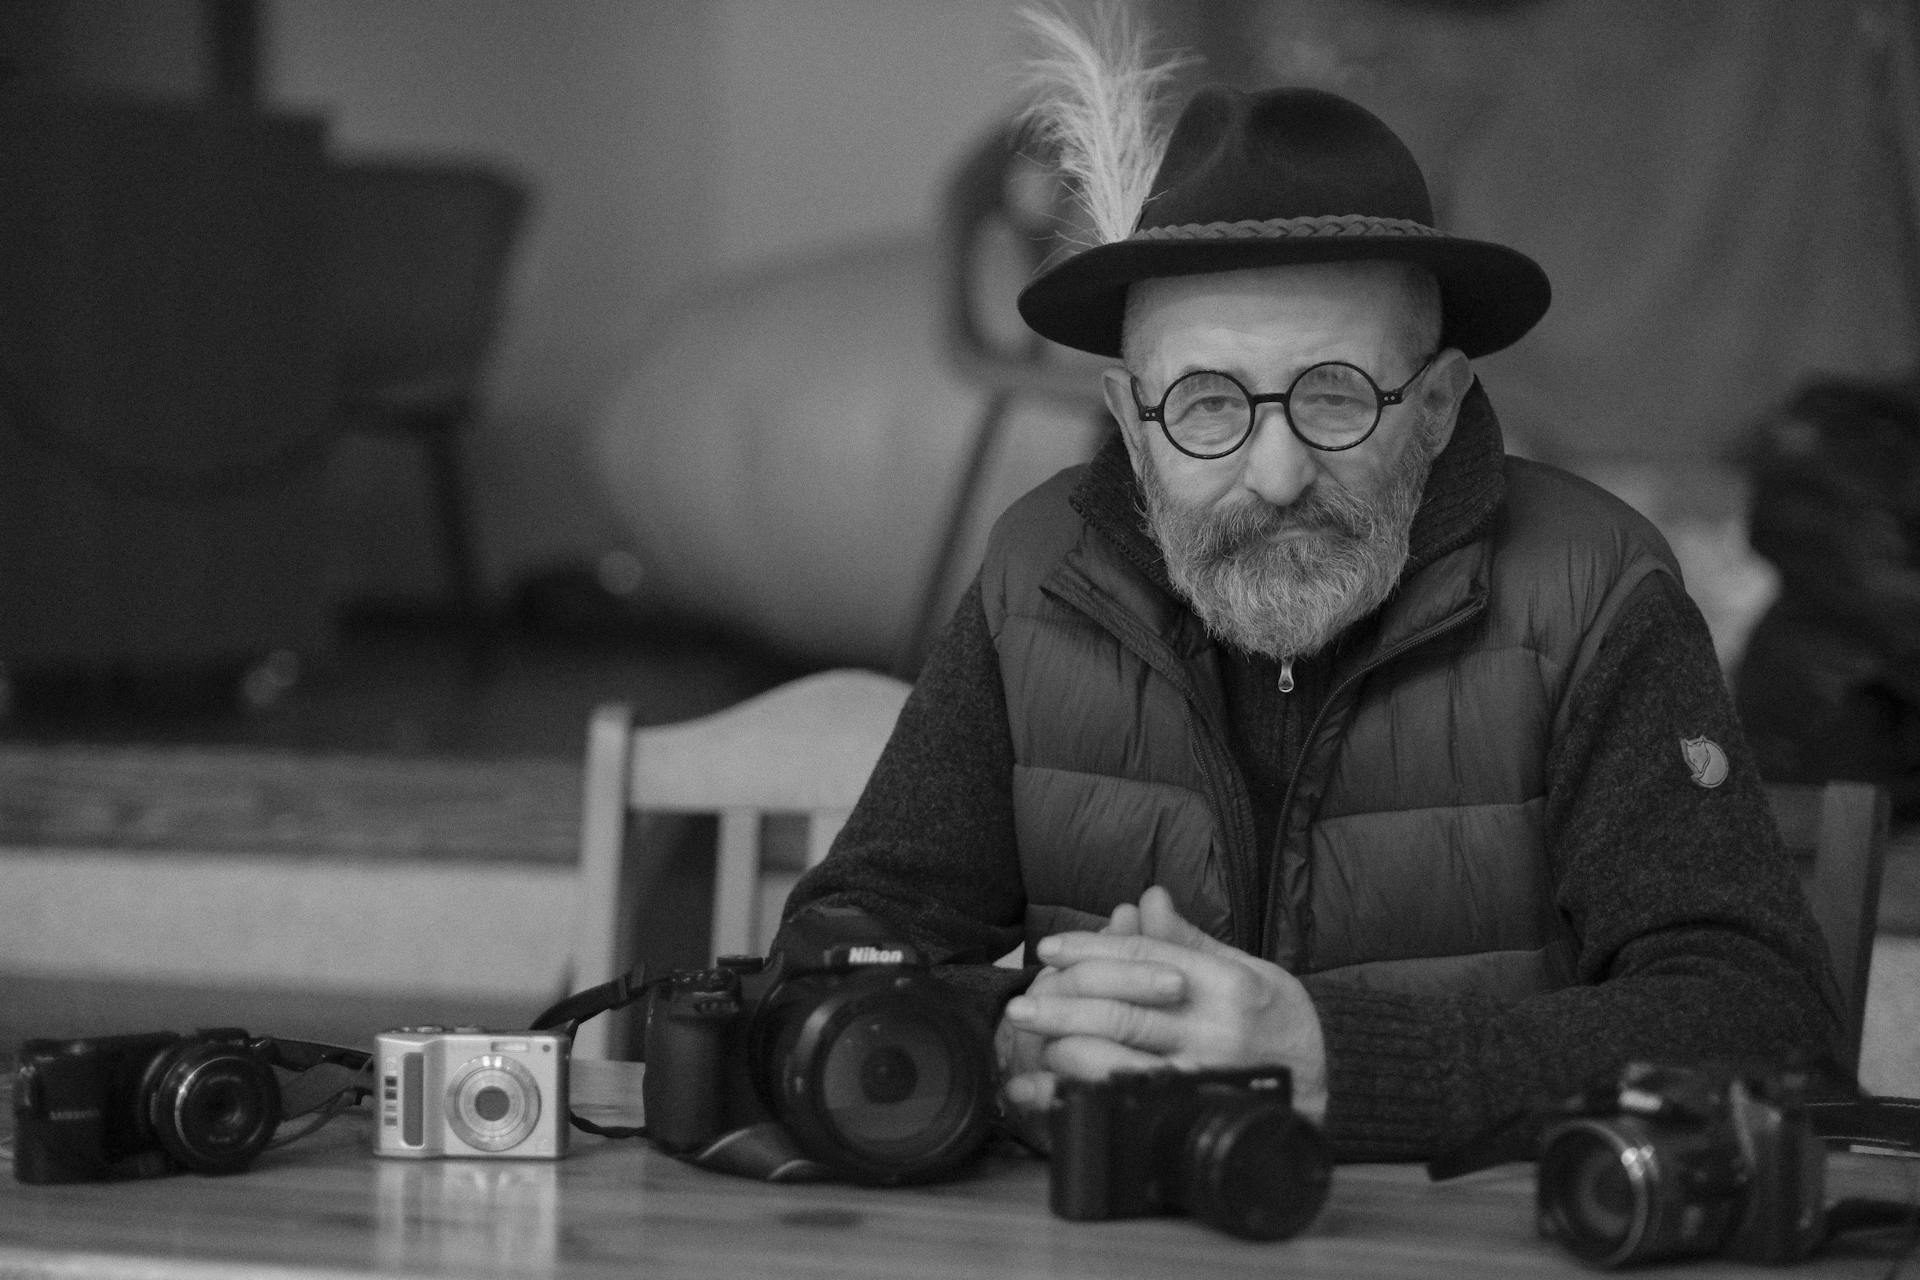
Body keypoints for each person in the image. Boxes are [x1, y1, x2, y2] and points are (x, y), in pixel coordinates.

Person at [773, 32, 1844, 1165]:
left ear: (1436, 406)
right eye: (1205, 404)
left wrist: (1340, 1058)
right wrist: (1018, 1039)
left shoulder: (1594, 592)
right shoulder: (1038, 572)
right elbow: (843, 942)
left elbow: (1770, 1029)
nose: (1276, 473)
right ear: (1134, 428)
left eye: (1336, 397)